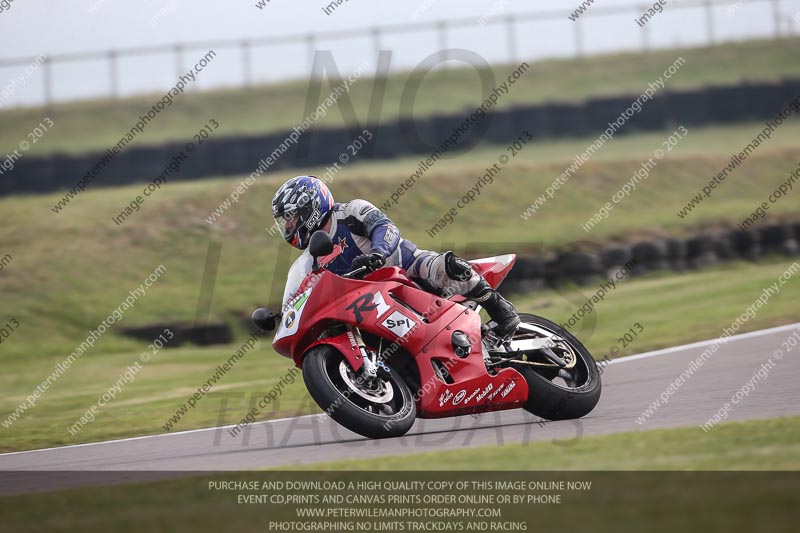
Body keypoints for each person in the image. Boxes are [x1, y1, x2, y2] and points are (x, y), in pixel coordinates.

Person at [266, 175, 520, 338]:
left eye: (290, 218)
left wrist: (377, 253)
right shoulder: (308, 261)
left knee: (447, 266)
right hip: (368, 302)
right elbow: (302, 294)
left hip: (404, 268)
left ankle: (499, 307)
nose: (288, 227)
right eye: (285, 222)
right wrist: (283, 313)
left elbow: (385, 228)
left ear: (310, 205)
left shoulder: (351, 211)